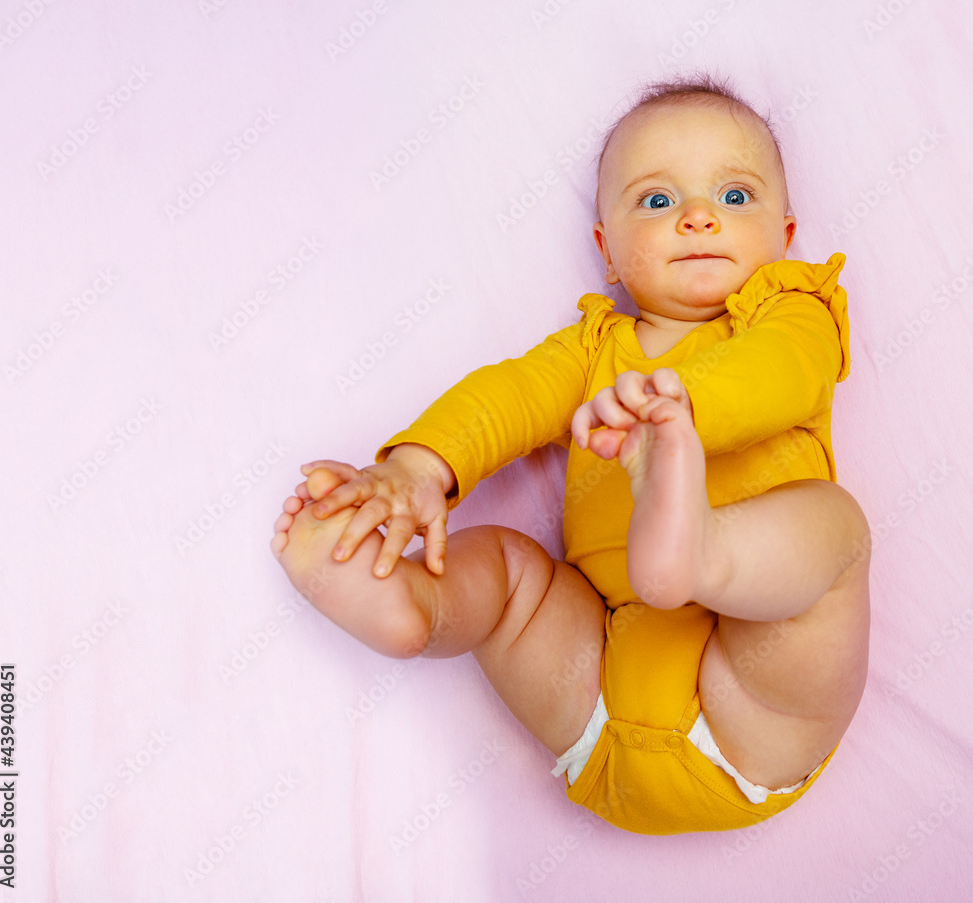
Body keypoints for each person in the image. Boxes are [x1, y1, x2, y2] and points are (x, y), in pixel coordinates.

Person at [271, 74, 871, 834]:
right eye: (657, 201)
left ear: (785, 236)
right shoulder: (592, 351)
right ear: (608, 252)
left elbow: (784, 375)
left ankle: (703, 550)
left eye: (736, 197)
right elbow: (509, 396)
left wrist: (681, 411)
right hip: (593, 690)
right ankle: (415, 603)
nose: (696, 217)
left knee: (833, 532)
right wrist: (420, 467)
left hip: (753, 704)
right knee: (511, 571)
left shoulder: (793, 310)